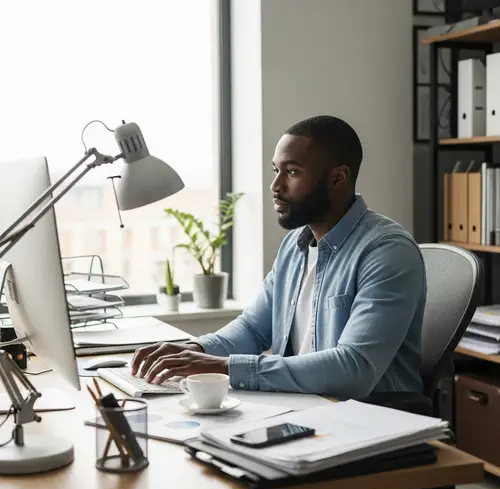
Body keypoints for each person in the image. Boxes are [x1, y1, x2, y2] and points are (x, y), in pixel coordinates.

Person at [131, 115, 427, 399]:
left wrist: (225, 367)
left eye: (292, 172)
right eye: (276, 171)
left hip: (371, 420)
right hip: (304, 407)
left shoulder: (386, 251)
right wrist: (194, 351)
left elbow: (354, 368)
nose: (276, 186)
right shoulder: (293, 247)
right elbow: (252, 329)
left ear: (338, 177)